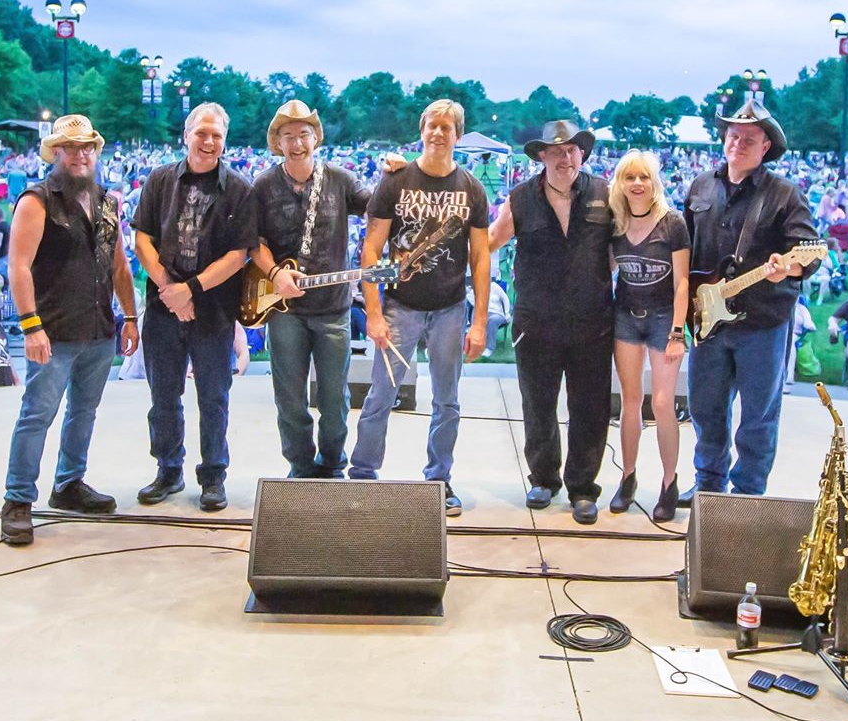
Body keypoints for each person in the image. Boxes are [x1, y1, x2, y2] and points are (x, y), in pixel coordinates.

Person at [2, 115, 138, 545]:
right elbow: (18, 268)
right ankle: (18, 498)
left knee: (84, 412)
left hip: (98, 328)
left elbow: (119, 266)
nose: (81, 155)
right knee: (37, 414)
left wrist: (131, 316)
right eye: (72, 148)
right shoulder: (37, 200)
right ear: (56, 152)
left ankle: (69, 483)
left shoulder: (107, 201)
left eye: (88, 148)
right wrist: (30, 326)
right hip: (53, 329)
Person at [351, 99, 491, 515]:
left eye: (447, 127)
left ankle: (440, 479)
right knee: (381, 395)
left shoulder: (471, 188)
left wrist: (478, 321)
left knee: (447, 400)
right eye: (432, 125)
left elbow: (481, 258)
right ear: (421, 129)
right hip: (400, 306)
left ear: (458, 135)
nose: (438, 133)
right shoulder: (396, 181)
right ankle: (362, 474)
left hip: (449, 307)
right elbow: (372, 248)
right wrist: (373, 313)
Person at [679, 94, 817, 503]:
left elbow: (807, 252)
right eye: (733, 135)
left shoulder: (784, 194)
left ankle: (748, 493)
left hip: (762, 322)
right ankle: (708, 484)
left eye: (749, 138)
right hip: (708, 321)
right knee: (706, 408)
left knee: (758, 416)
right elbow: (686, 248)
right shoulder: (702, 185)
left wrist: (788, 266)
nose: (737, 143)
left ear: (766, 146)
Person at [488, 120, 616, 525]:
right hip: (536, 322)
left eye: (573, 150)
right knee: (538, 404)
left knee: (590, 407)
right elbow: (490, 241)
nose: (565, 158)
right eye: (556, 151)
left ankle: (582, 487)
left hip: (592, 322)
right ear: (541, 156)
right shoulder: (521, 198)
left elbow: (623, 248)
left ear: (583, 154)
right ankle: (543, 478)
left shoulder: (604, 194)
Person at [132, 104, 257, 513]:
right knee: (163, 394)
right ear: (186, 134)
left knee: (214, 396)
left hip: (215, 308)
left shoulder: (239, 188)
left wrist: (192, 290)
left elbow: (239, 254)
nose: (208, 141)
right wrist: (171, 288)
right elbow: (143, 240)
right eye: (201, 133)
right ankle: (168, 469)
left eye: (216, 135)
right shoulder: (160, 180)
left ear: (225, 139)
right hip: (163, 304)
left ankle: (213, 474)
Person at [250, 100, 371, 479]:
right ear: (278, 142)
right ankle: (300, 466)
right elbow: (253, 241)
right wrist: (274, 272)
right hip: (284, 310)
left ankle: (333, 462)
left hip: (333, 307)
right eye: (289, 136)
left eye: (304, 134)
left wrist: (396, 175)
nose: (298, 143)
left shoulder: (340, 179)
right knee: (289, 398)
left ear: (315, 138)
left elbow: (377, 208)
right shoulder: (264, 185)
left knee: (335, 399)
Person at [604, 149, 689, 522]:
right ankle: (627, 477)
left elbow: (683, 282)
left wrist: (677, 331)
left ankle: (669, 482)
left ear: (655, 182)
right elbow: (607, 272)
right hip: (625, 316)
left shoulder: (672, 224)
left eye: (644, 177)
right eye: (630, 177)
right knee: (630, 401)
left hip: (662, 318)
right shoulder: (616, 224)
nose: (637, 184)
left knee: (662, 403)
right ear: (620, 183)